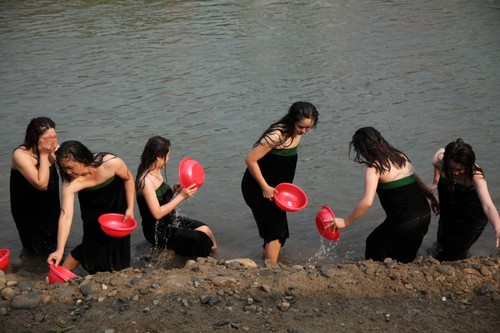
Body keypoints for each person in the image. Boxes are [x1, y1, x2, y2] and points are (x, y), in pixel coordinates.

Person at [330, 127, 438, 263]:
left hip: (405, 221)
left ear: (363, 150)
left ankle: (374, 274)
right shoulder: (400, 157)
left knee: (374, 242)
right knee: (405, 256)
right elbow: (423, 186)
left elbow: (367, 202)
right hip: (424, 215)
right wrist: (433, 199)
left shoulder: (375, 167)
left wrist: (345, 222)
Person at [241, 101, 319, 262]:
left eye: (308, 128)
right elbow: (250, 160)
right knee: (277, 233)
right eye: (301, 126)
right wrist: (265, 187)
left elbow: (281, 165)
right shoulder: (277, 135)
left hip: (276, 191)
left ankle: (266, 261)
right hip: (258, 188)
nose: (303, 131)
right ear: (292, 119)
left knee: (275, 232)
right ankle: (271, 270)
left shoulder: (296, 133)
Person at [47, 140, 135, 274]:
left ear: (83, 159)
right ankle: (59, 274)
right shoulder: (70, 184)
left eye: (71, 167)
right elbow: (66, 216)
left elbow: (128, 179)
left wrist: (130, 208)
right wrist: (59, 249)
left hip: (117, 210)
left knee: (119, 252)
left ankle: (117, 273)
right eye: (64, 168)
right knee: (90, 246)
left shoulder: (110, 163)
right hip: (92, 214)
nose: (68, 172)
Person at [135, 136, 217, 257]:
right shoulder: (145, 181)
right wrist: (181, 197)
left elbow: (160, 197)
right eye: (167, 155)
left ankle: (216, 255)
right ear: (158, 157)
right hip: (158, 230)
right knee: (200, 238)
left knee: (205, 229)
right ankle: (205, 260)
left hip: (169, 220)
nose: (168, 159)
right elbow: (157, 213)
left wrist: (174, 191)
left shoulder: (157, 171)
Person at [430, 138, 500, 261]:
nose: (455, 173)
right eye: (451, 168)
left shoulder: (475, 176)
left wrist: (497, 228)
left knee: (453, 255)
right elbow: (440, 151)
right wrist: (435, 183)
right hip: (450, 210)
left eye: (460, 169)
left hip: (472, 217)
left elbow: (488, 206)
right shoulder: (440, 162)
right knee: (441, 246)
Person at [10, 117, 60, 254]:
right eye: (48, 138)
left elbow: (69, 168)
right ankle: (33, 273)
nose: (52, 141)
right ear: (35, 137)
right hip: (28, 210)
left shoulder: (52, 148)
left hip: (50, 207)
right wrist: (44, 154)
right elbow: (41, 184)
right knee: (35, 248)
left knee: (54, 243)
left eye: (54, 136)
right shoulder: (21, 154)